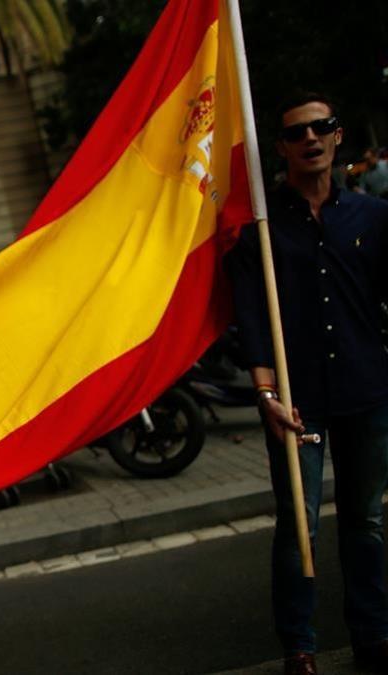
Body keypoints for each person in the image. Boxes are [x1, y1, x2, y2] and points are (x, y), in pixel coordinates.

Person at [227, 92, 388, 675]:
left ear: (338, 135)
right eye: (298, 133)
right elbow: (252, 322)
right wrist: (267, 397)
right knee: (299, 527)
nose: (311, 139)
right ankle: (299, 647)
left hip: (367, 392)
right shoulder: (260, 231)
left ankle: (373, 635)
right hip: (297, 404)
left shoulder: (373, 216)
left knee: (365, 520)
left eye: (321, 128)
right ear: (282, 148)